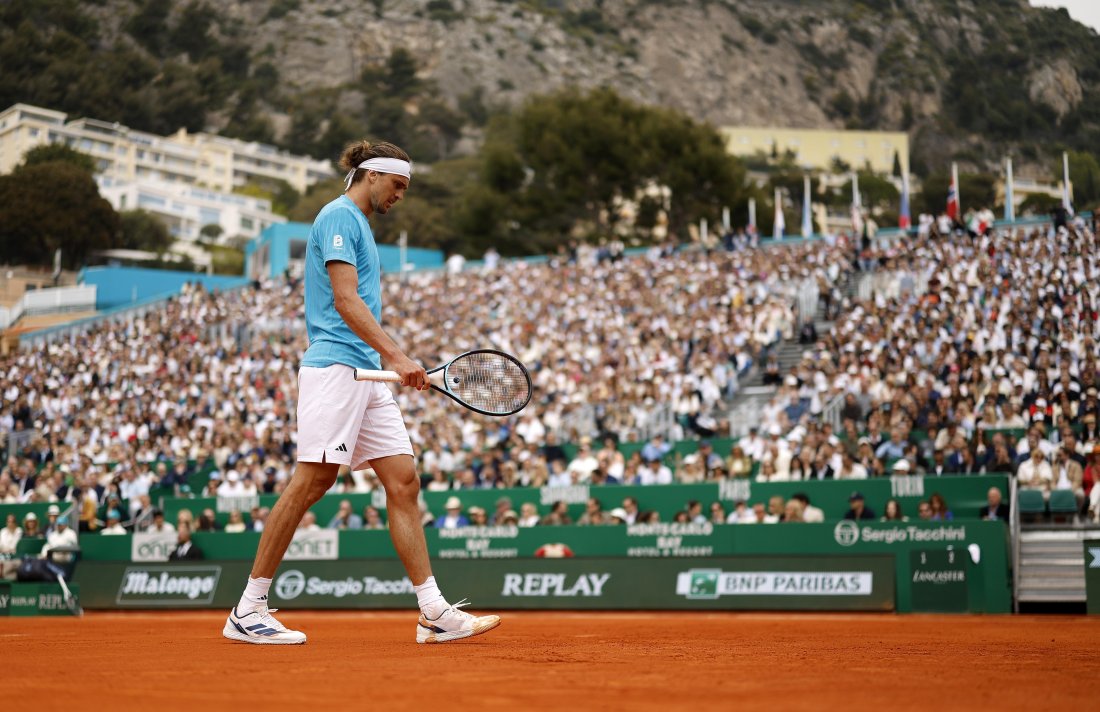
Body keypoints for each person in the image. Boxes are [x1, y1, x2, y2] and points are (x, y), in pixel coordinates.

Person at [224, 140, 499, 646]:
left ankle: (433, 611)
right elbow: (345, 300)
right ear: (371, 175)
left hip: (364, 372)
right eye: (398, 185)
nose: (400, 196)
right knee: (312, 481)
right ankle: (248, 607)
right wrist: (397, 357)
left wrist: (387, 359)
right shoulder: (338, 217)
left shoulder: (361, 227)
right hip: (336, 367)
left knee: (403, 479)